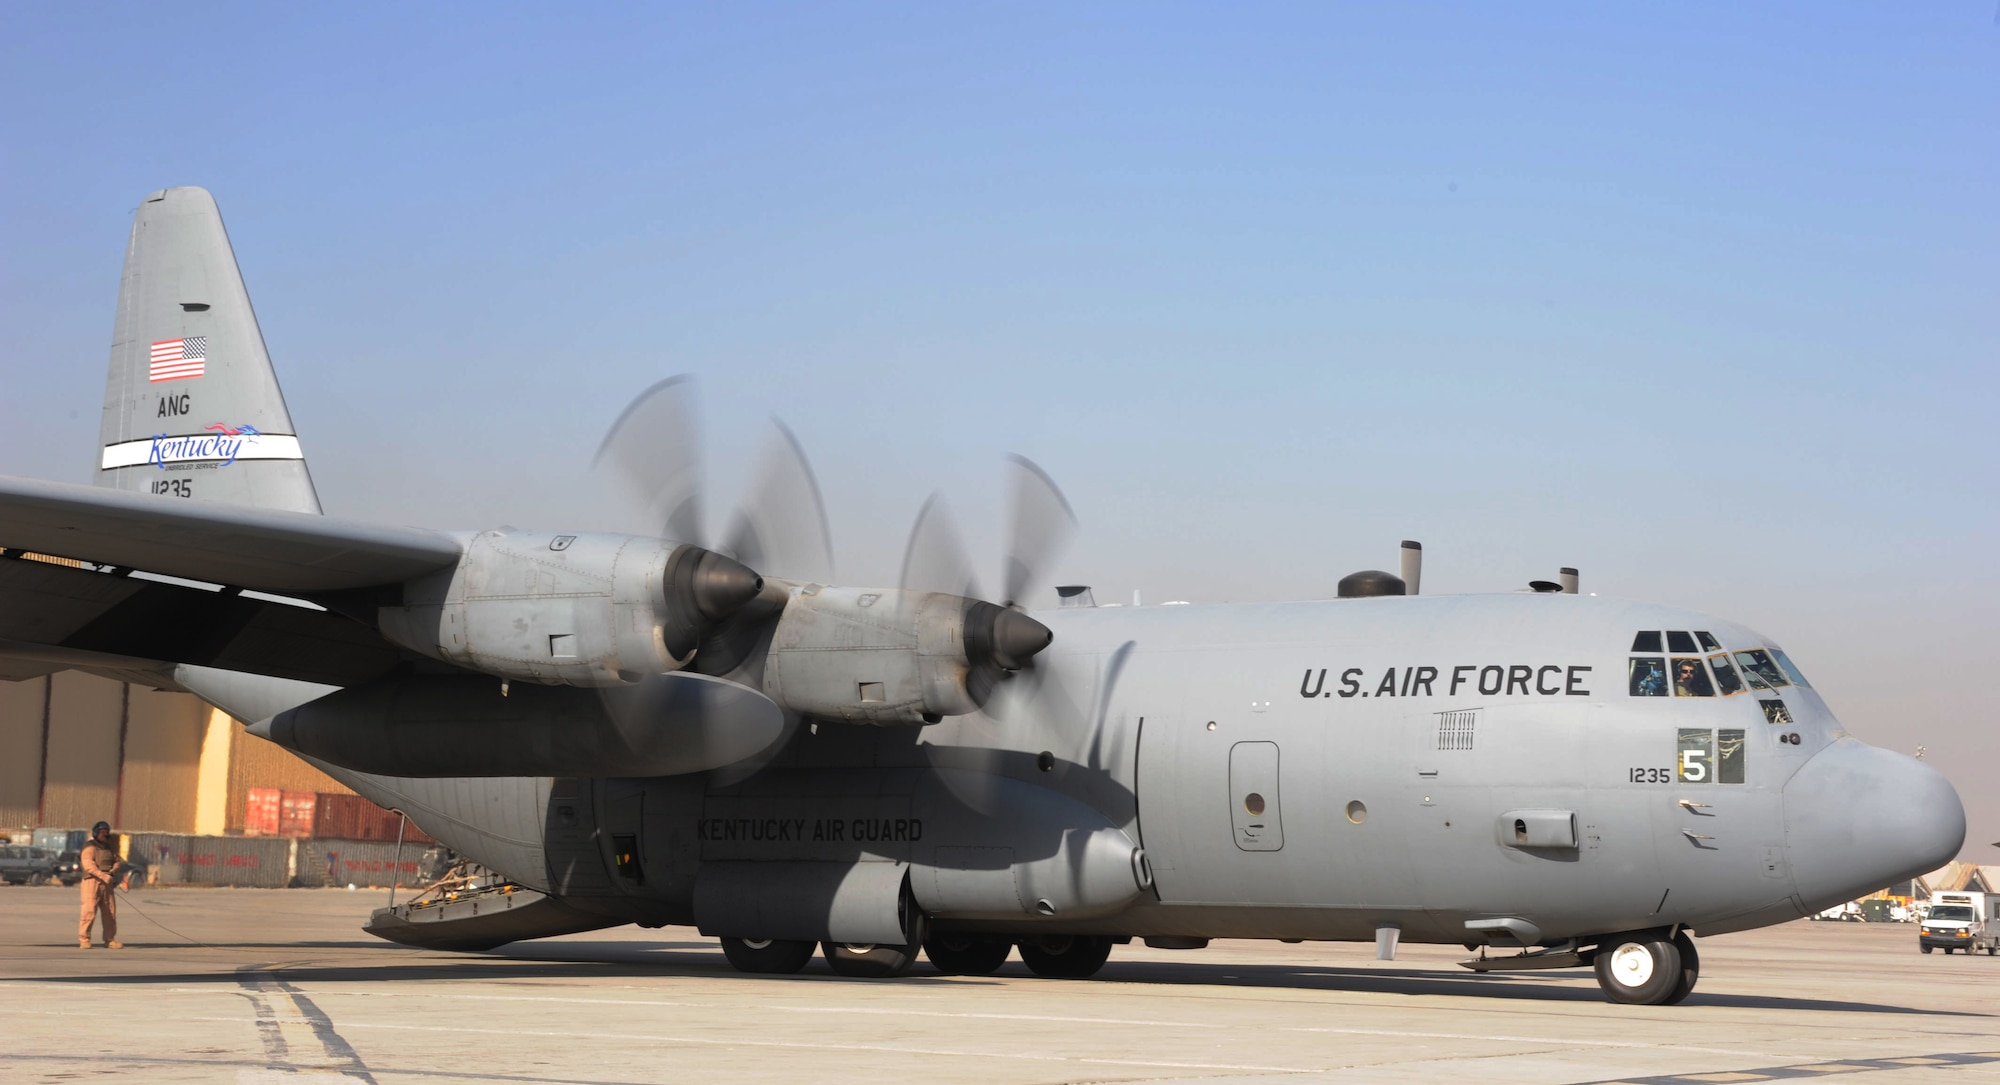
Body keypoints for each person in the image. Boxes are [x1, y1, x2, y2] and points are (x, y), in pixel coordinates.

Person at [78, 821, 126, 949]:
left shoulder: (108, 848)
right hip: (92, 882)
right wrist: (103, 876)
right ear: (96, 833)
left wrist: (112, 871)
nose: (105, 835)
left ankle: (109, 939)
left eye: (106, 832)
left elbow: (117, 861)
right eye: (102, 832)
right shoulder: (89, 848)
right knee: (89, 911)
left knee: (110, 912)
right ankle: (84, 939)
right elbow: (88, 866)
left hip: (107, 882)